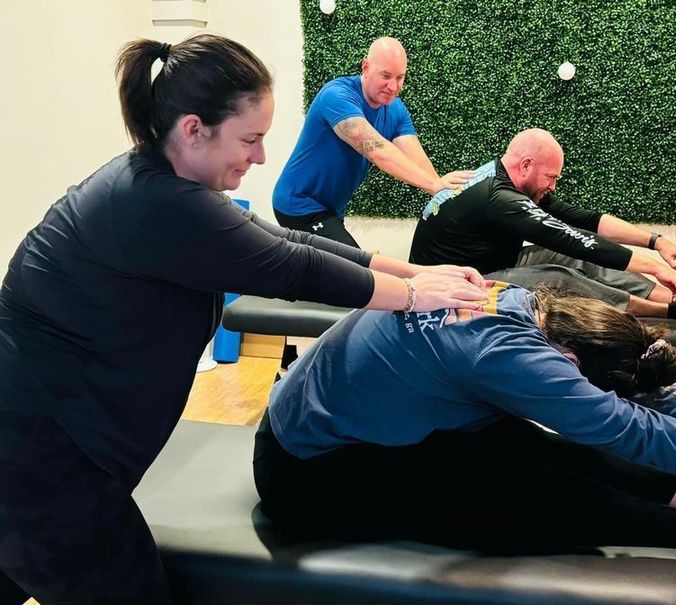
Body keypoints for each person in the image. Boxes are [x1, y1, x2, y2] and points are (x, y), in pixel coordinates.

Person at [0, 35, 488, 605]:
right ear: (192, 129)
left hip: (52, 452)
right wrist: (411, 296)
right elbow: (293, 269)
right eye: (250, 139)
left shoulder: (164, 187)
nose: (259, 157)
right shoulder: (155, 204)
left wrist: (414, 272)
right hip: (41, 462)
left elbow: (282, 241)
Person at [255, 281, 676, 557]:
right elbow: (631, 428)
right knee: (501, 473)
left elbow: (660, 401)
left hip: (334, 424)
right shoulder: (507, 357)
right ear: (572, 362)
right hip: (303, 472)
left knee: (517, 437)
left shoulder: (525, 303)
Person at [409, 128, 676, 326]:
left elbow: (583, 220)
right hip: (452, 286)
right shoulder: (499, 198)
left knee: (574, 260)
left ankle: (674, 295)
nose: (553, 186)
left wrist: (656, 241)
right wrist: (655, 267)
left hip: (485, 262)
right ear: (526, 165)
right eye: (551, 177)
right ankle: (671, 314)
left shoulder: (502, 178)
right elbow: (574, 239)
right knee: (558, 278)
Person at [272, 37, 473, 247]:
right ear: (366, 67)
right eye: (386, 76)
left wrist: (442, 190)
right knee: (352, 269)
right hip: (298, 204)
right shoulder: (337, 96)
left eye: (400, 77)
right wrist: (433, 185)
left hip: (329, 210)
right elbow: (376, 149)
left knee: (327, 271)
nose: (393, 86)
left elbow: (413, 155)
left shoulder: (396, 110)